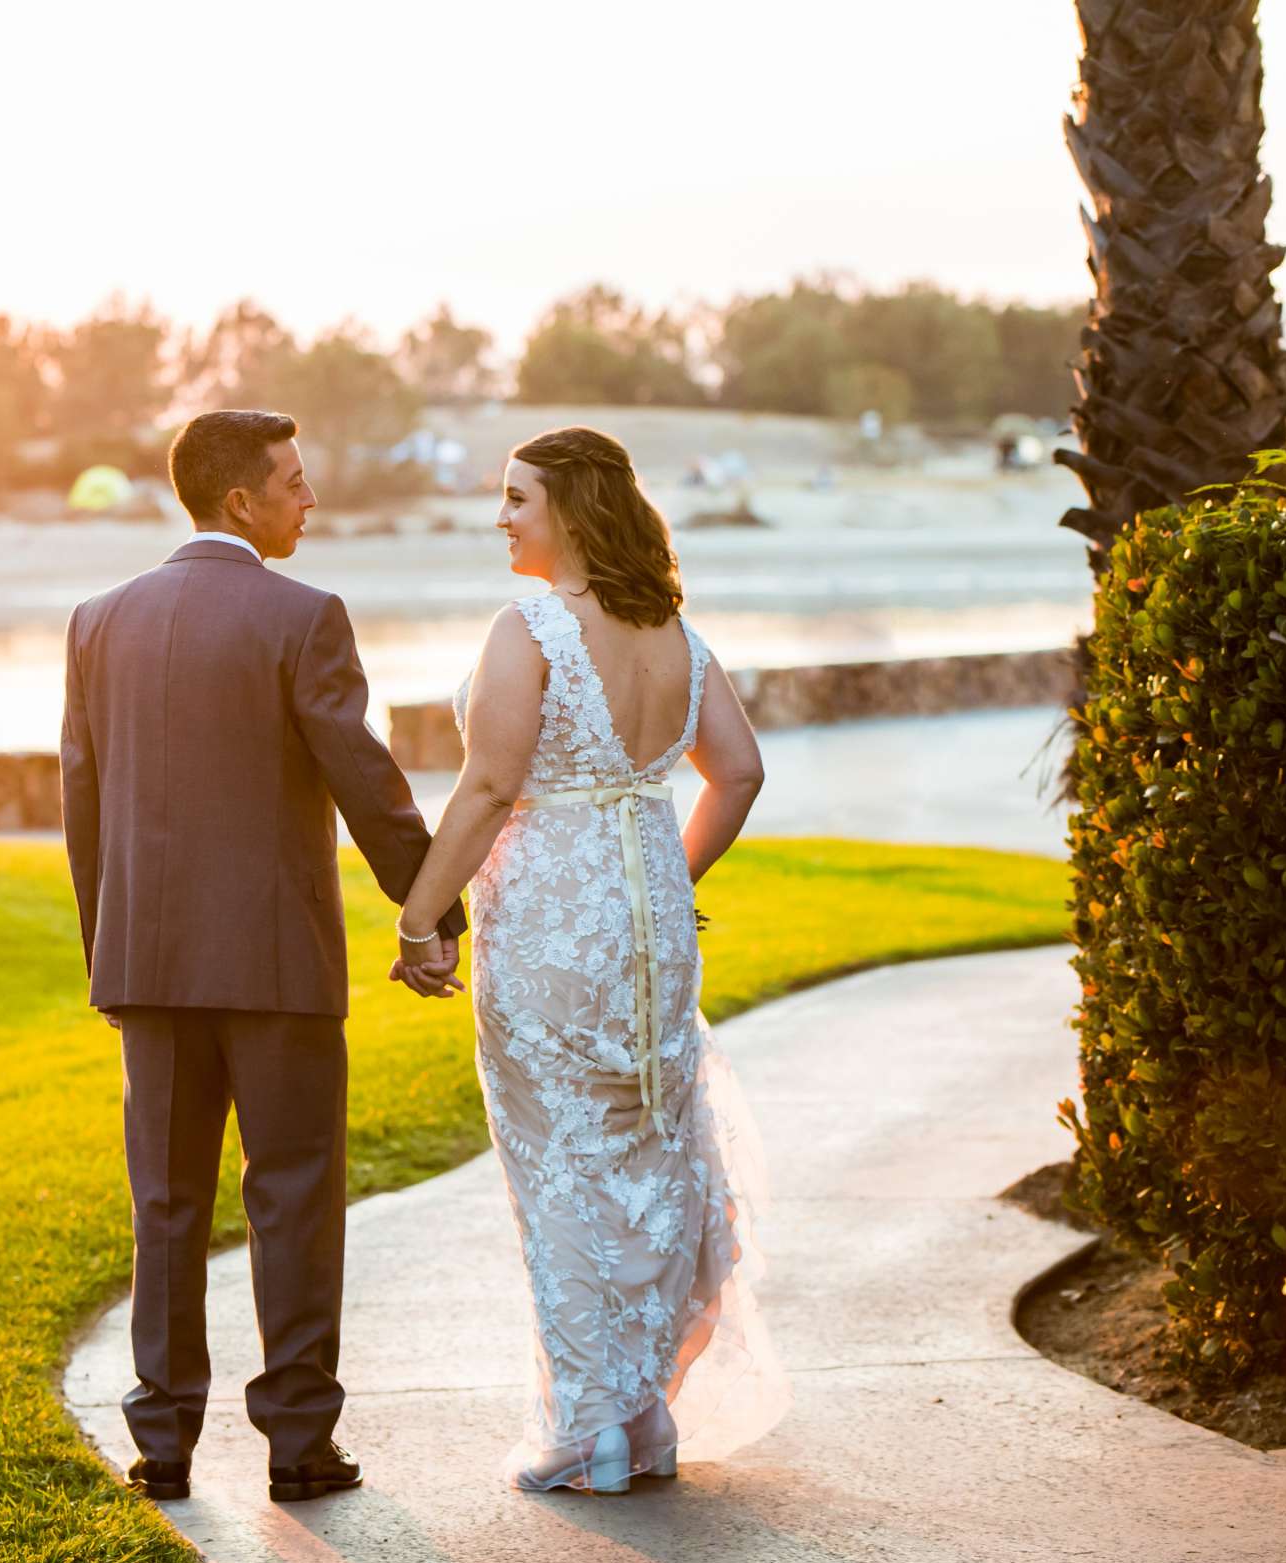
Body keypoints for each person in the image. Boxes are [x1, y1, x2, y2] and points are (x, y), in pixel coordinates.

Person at [58, 409, 466, 1507]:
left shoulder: (98, 622)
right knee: (292, 1195)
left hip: (149, 970)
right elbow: (365, 780)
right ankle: (298, 1444)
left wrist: (113, 960)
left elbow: (82, 807)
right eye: (293, 480)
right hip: (277, 967)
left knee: (168, 1200)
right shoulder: (304, 616)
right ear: (240, 500)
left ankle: (165, 1445)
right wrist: (434, 904)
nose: (309, 498)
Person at [388, 425, 790, 1494]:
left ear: (567, 506)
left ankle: (587, 1431)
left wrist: (420, 917)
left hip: (552, 923)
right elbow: (739, 772)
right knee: (650, 1154)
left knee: (560, 1169)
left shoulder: (527, 628)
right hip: (648, 913)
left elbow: (485, 789)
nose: (502, 516)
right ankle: (643, 1419)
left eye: (517, 498)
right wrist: (669, 880)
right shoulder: (675, 633)